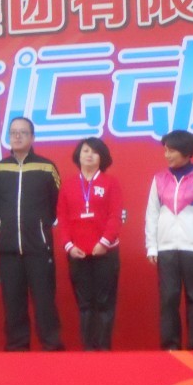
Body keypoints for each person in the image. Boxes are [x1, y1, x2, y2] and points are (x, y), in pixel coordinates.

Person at [0, 117, 63, 351]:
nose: (17, 136)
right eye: (13, 132)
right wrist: (4, 226)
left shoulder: (46, 167)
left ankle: (51, 347)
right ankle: (17, 349)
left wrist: (38, 227)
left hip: (38, 248)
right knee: (13, 303)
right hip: (8, 249)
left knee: (44, 302)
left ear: (32, 137)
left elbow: (55, 205)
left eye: (23, 132)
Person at [144, 130, 193, 350]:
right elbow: (151, 214)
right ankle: (170, 345)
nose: (166, 155)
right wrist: (151, 246)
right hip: (166, 248)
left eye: (171, 150)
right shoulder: (159, 179)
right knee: (169, 297)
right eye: (165, 150)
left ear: (186, 151)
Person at [56, 137, 123, 351]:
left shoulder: (110, 182)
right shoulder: (68, 185)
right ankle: (88, 350)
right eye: (85, 150)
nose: (89, 155)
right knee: (85, 304)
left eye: (94, 152)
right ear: (78, 155)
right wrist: (68, 245)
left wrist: (104, 242)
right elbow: (62, 218)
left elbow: (115, 215)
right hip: (78, 253)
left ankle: (103, 349)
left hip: (105, 251)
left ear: (102, 157)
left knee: (104, 302)